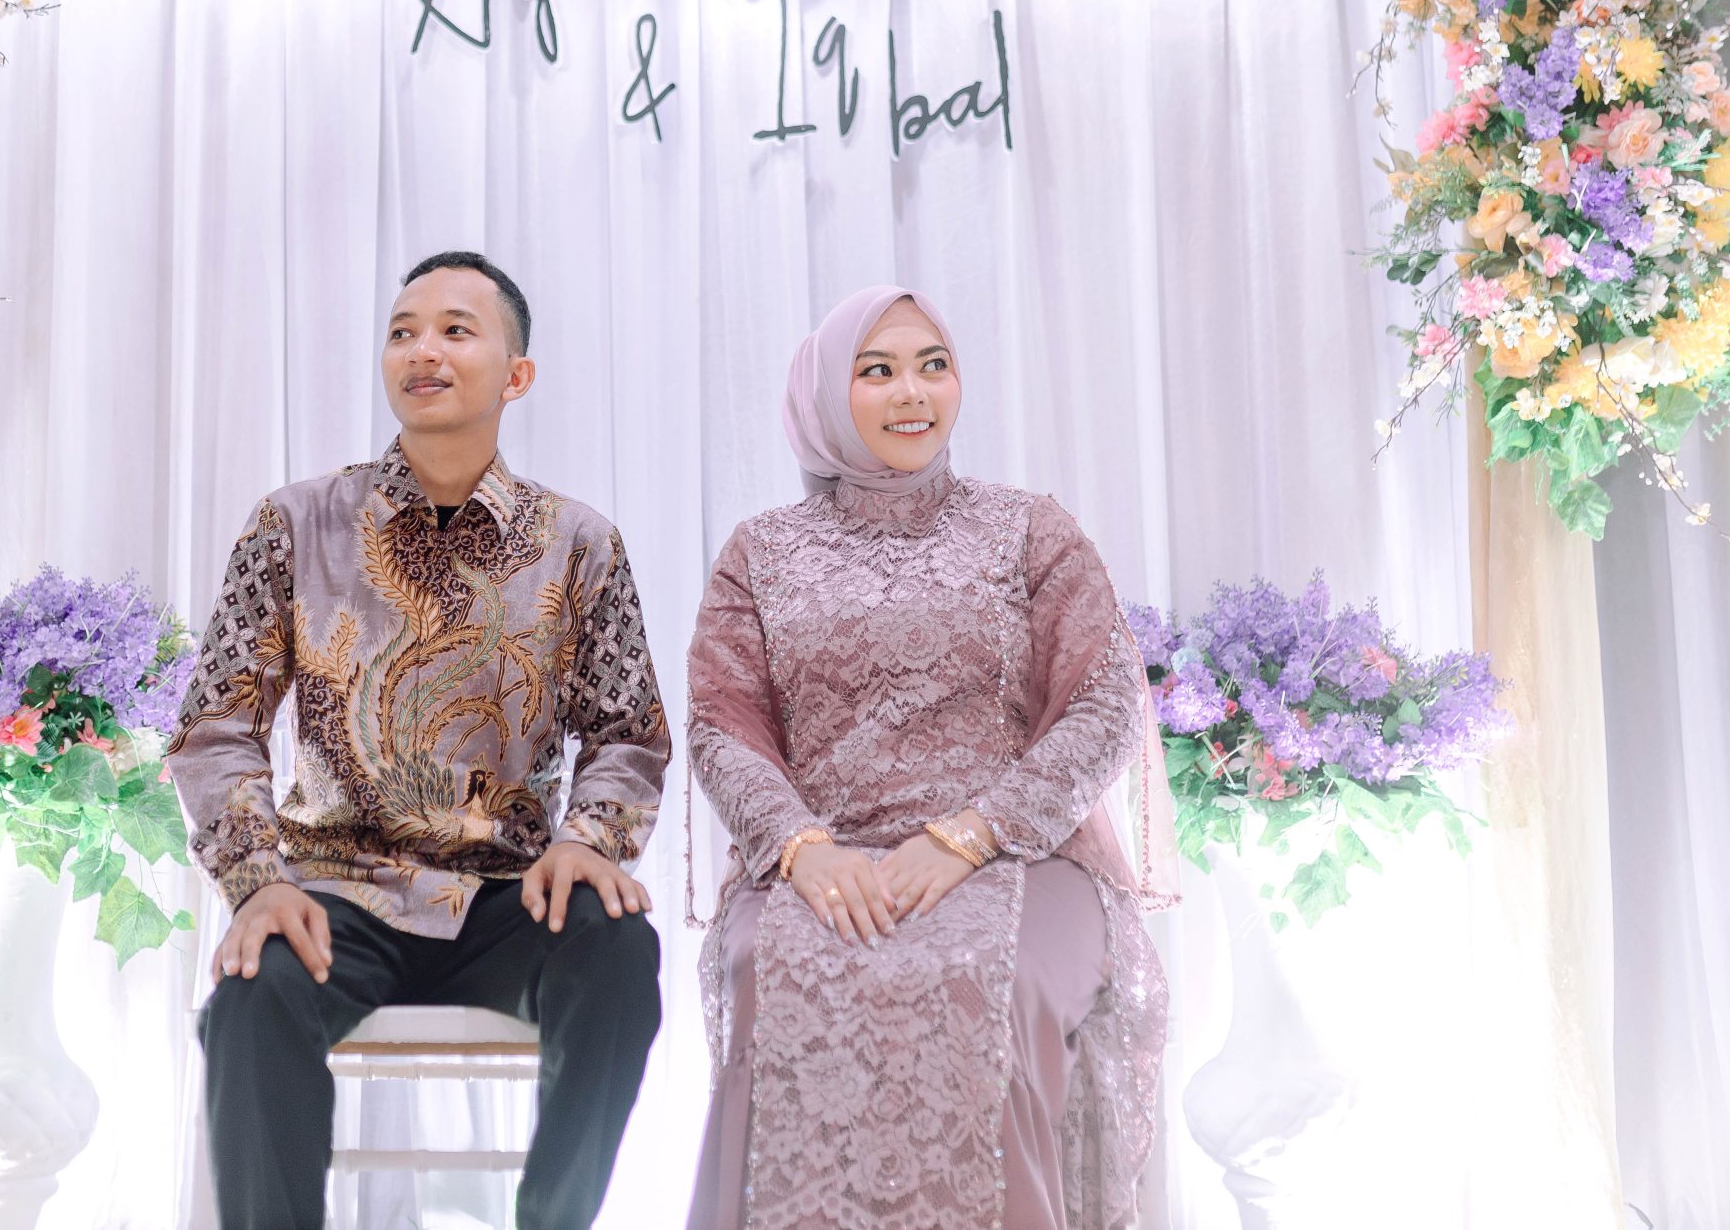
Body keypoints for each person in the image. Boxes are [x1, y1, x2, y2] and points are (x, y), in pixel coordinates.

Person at [168, 250, 669, 1230]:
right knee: (250, 993)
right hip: (337, 890)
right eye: (402, 331)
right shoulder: (295, 523)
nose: (421, 350)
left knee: (617, 950)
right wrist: (257, 880)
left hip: (511, 893)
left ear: (516, 374)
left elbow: (627, 732)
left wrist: (589, 841)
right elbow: (217, 727)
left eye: (453, 330)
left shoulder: (579, 542)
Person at [684, 285, 1177, 1230]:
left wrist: (972, 834)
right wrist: (802, 848)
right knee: (774, 968)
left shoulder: (1029, 529)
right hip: (818, 860)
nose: (912, 392)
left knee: (985, 975)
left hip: (1019, 851)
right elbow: (722, 721)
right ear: (826, 394)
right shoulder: (761, 552)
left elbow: (1105, 698)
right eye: (877, 371)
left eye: (932, 365)